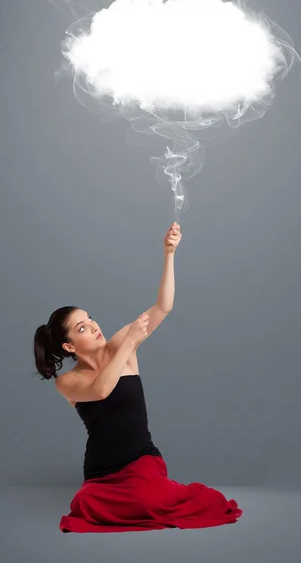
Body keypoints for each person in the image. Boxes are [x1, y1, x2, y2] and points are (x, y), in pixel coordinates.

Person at [33, 226, 243, 533]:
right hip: (102, 472)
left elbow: (163, 307)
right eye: (81, 328)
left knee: (150, 499)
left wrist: (169, 254)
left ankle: (161, 495)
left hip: (142, 461)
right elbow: (101, 389)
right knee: (84, 503)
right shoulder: (68, 382)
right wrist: (130, 343)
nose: (93, 326)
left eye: (89, 319)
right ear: (68, 347)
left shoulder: (120, 342)